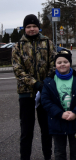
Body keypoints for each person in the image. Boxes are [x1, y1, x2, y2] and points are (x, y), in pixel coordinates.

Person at [11, 14, 56, 160]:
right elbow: (18, 70)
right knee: (26, 131)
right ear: (24, 28)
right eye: (28, 27)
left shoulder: (48, 43)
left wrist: (46, 82)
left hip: (45, 93)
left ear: (39, 27)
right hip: (26, 94)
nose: (31, 29)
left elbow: (54, 64)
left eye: (34, 26)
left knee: (46, 129)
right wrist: (35, 83)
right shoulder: (18, 46)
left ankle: (48, 156)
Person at [41, 50, 76, 160]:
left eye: (65, 61)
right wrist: (60, 113)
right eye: (59, 62)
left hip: (75, 120)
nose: (62, 64)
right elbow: (45, 100)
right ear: (55, 65)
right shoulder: (49, 80)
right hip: (57, 121)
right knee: (59, 151)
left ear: (70, 63)